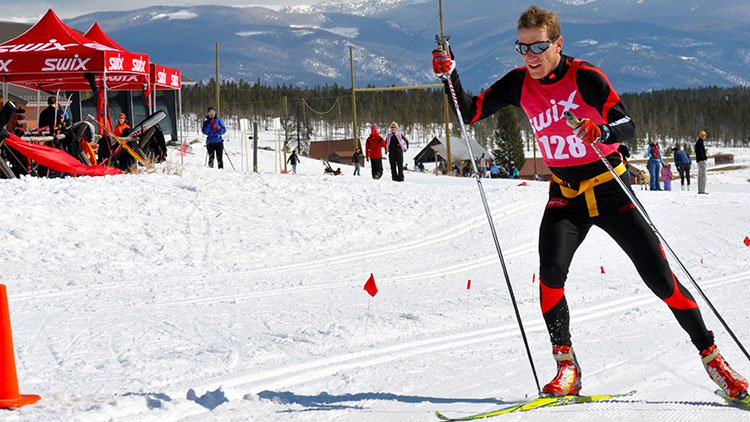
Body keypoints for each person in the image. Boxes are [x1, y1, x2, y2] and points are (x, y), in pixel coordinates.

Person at [432, 5, 747, 400]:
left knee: (661, 280)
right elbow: (470, 111)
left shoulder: (585, 76)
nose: (530, 57)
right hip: (566, 195)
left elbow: (627, 124)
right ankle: (566, 366)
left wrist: (601, 131)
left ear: (557, 44)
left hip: (610, 189)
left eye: (538, 47)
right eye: (523, 48)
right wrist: (450, 75)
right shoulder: (518, 82)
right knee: (550, 276)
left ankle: (715, 360)